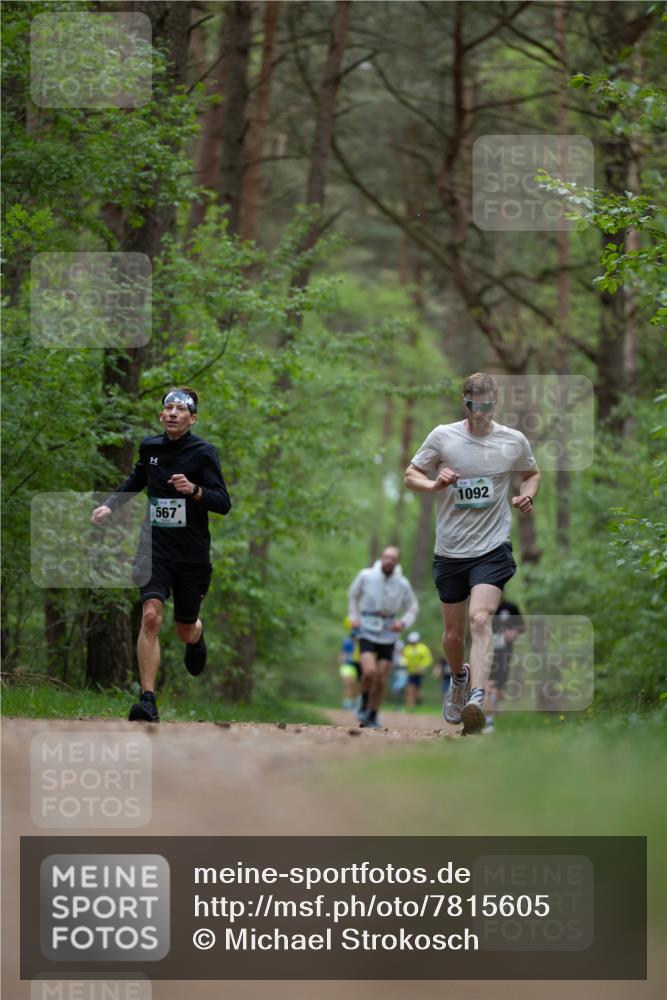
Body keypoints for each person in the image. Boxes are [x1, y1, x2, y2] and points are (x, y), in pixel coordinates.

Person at [404, 372, 540, 733]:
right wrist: (434, 483)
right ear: (464, 402)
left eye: (487, 406)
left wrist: (527, 494)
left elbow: (531, 473)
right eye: (473, 405)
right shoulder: (442, 436)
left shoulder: (512, 440)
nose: (480, 412)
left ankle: (477, 699)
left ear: (495, 404)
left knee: (481, 619)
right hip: (450, 550)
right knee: (452, 636)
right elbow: (410, 475)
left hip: (492, 547)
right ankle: (459, 679)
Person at [90, 387, 231, 722]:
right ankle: (148, 701)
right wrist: (110, 505)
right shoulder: (150, 447)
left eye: (180, 409)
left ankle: (196, 634)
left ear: (192, 418)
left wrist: (194, 490)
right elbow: (137, 478)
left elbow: (223, 503)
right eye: (167, 407)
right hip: (154, 547)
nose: (172, 413)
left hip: (192, 553)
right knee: (151, 614)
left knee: (183, 628)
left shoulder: (204, 453)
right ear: (160, 415)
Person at [348, 545, 419, 729]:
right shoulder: (366, 576)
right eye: (386, 557)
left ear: (397, 562)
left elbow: (413, 607)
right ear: (381, 557)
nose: (388, 560)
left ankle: (372, 714)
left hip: (388, 632)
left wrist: (402, 623)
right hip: (367, 628)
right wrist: (354, 618)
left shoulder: (402, 583)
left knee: (381, 677)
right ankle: (363, 702)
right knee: (369, 671)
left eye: (392, 558)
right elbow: (353, 596)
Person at [485, 596, 525, 733]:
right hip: (486, 649)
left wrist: (513, 632)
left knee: (500, 686)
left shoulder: (510, 607)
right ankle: (489, 720)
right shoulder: (484, 605)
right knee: (488, 682)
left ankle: (494, 707)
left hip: (505, 650)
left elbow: (522, 626)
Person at [402, 631, 433, 710]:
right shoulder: (407, 648)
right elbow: (403, 658)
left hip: (419, 672)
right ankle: (410, 707)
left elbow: (428, 659)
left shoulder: (423, 648)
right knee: (409, 689)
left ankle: (416, 701)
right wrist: (404, 663)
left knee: (416, 690)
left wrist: (422, 666)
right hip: (410, 672)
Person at [339, 617, 361, 709]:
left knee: (356, 685)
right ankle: (347, 702)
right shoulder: (346, 641)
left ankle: (356, 702)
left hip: (358, 664)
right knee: (347, 682)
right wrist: (340, 657)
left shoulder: (361, 642)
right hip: (347, 664)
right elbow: (343, 651)